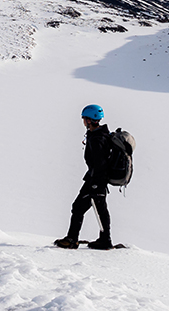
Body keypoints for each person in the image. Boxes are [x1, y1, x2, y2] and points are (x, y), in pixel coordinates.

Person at [54, 104, 114, 250]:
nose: (83, 121)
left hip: (96, 180)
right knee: (89, 208)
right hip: (94, 179)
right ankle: (101, 239)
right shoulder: (99, 135)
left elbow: (100, 164)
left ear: (89, 120)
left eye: (84, 118)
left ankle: (74, 239)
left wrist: (95, 183)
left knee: (90, 208)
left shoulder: (97, 138)